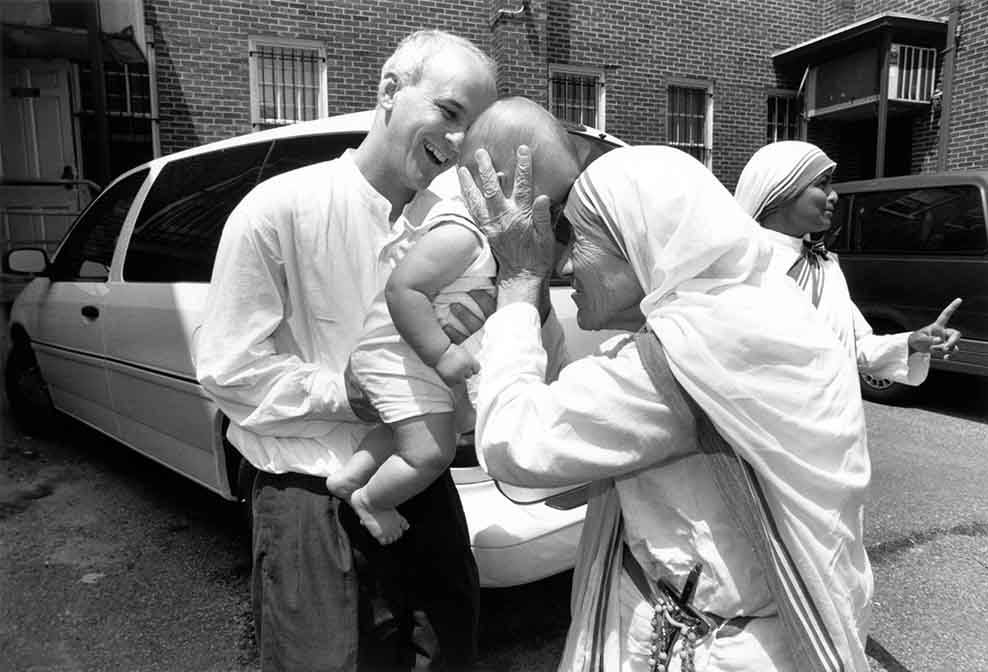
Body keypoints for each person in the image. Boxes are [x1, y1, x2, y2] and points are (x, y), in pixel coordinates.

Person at [459, 144, 875, 670]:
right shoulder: (754, 310)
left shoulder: (692, 357)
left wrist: (517, 287)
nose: (564, 262)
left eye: (580, 240)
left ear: (640, 245)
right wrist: (530, 306)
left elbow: (514, 445)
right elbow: (583, 397)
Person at [194, 29, 497, 672]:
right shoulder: (280, 208)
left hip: (422, 487)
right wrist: (353, 395)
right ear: (389, 91)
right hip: (307, 500)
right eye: (448, 112)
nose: (459, 141)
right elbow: (227, 369)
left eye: (474, 126)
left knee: (444, 655)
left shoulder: (455, 229)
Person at [328, 96, 583, 544]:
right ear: (500, 184)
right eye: (548, 203)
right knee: (432, 451)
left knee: (409, 432)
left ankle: (350, 479)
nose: (553, 217)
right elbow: (402, 290)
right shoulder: (461, 233)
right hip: (397, 353)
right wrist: (442, 354)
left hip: (411, 358)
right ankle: (372, 500)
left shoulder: (495, 245)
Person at [734, 140, 962, 389]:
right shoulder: (739, 267)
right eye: (822, 184)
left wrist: (912, 343)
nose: (834, 195)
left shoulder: (826, 267)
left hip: (837, 423)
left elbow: (855, 348)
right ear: (782, 192)